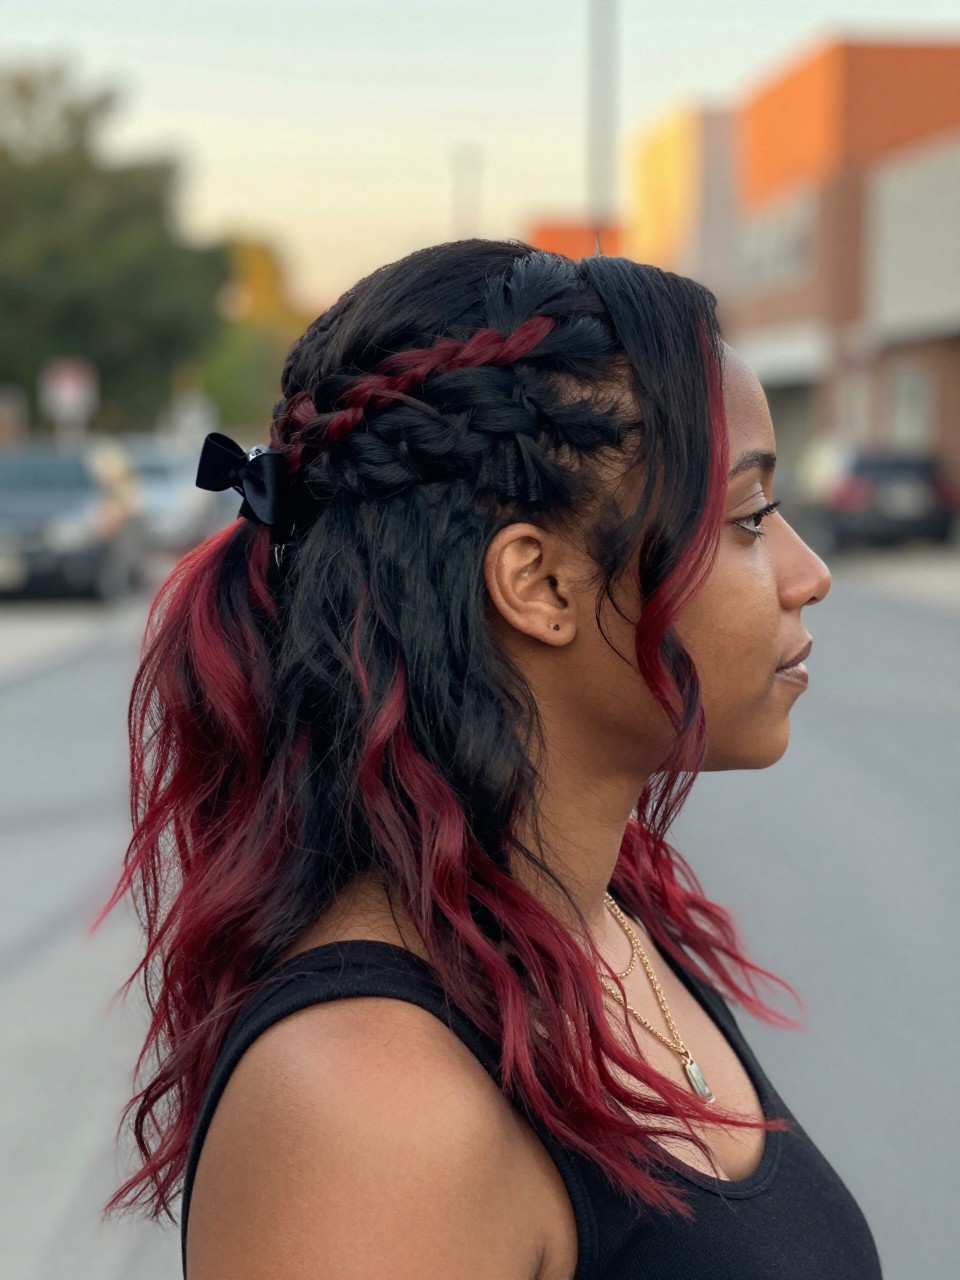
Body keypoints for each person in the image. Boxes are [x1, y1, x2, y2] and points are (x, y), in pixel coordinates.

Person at [108, 240, 882, 1278]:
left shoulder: (604, 921)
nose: (808, 572)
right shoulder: (367, 1107)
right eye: (747, 518)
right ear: (540, 584)